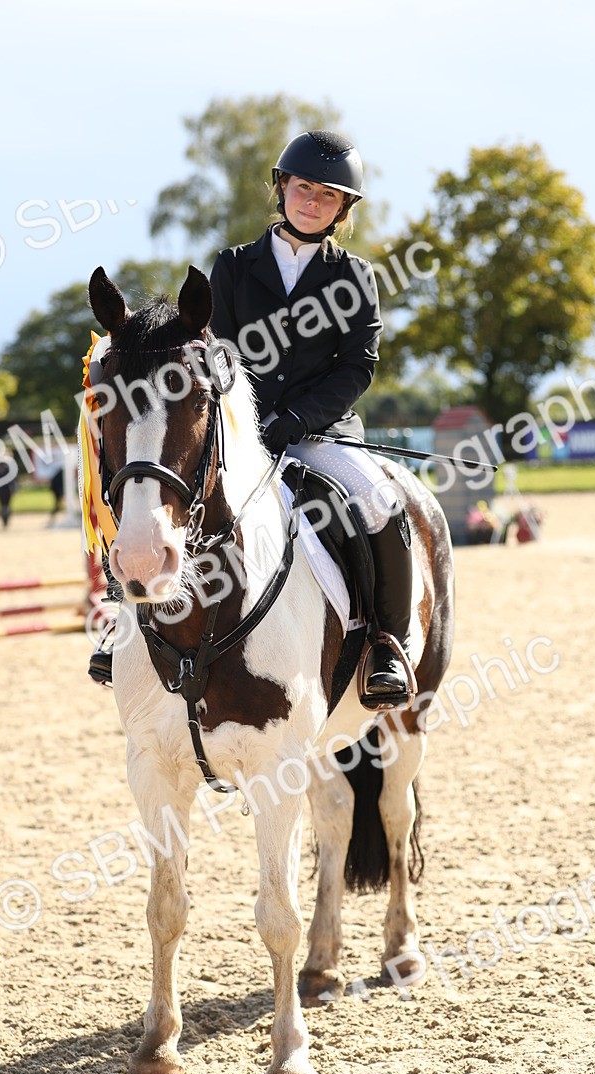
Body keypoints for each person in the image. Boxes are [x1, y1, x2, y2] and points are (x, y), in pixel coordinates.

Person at [209, 130, 413, 704]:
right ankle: (122, 628)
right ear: (282, 188)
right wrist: (247, 419)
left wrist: (294, 419)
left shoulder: (355, 277)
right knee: (164, 489)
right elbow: (217, 352)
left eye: (328, 196)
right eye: (304, 189)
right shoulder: (231, 268)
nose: (313, 203)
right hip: (240, 432)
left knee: (378, 501)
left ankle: (385, 647)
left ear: (343, 209)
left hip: (321, 434)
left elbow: (356, 368)